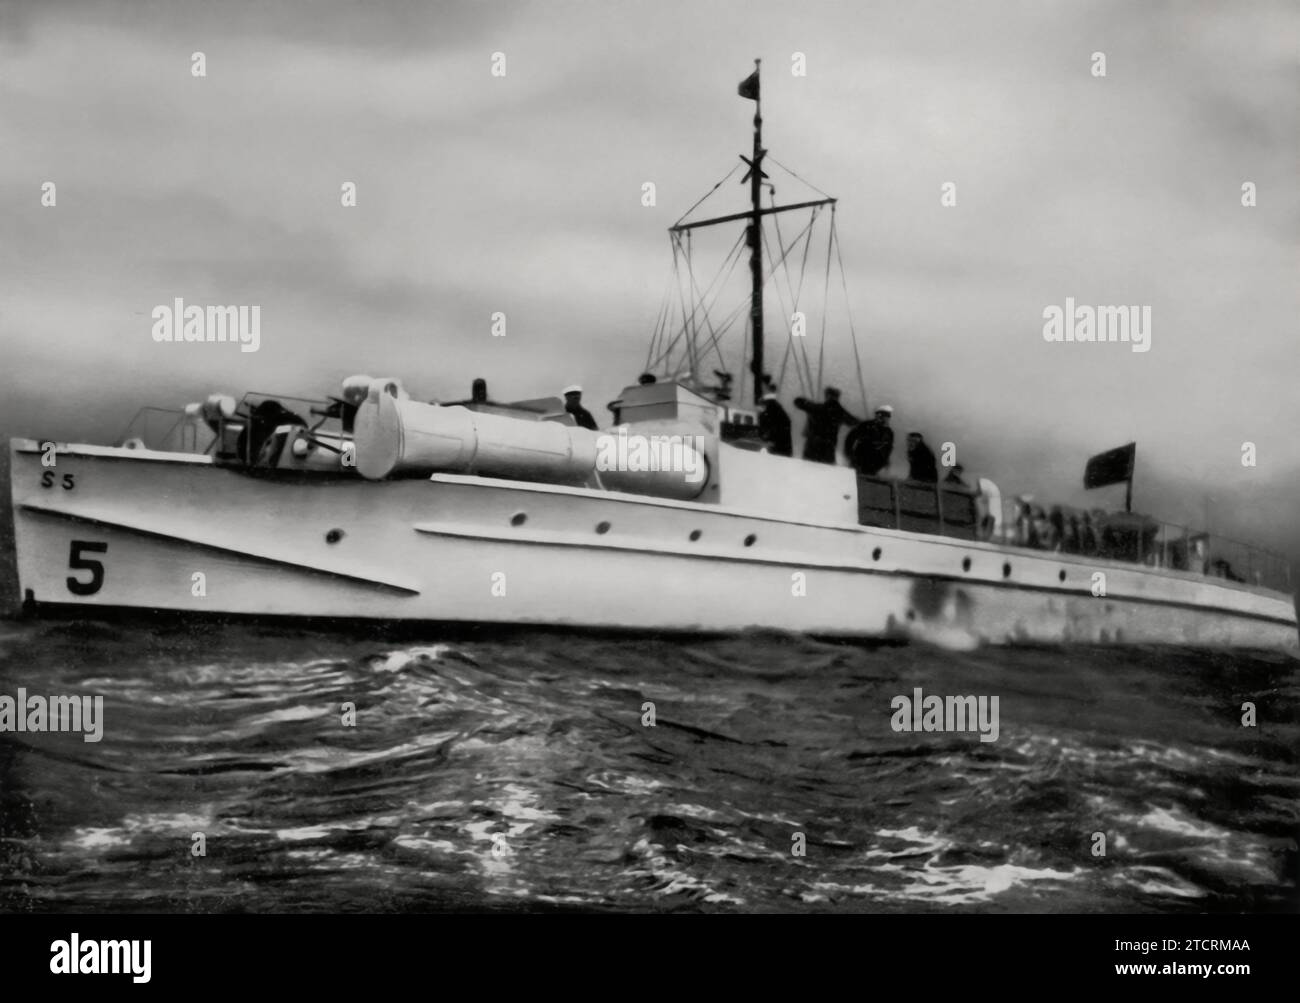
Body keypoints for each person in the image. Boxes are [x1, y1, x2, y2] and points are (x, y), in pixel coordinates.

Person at [793, 386, 858, 464]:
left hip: (812, 447)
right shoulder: (840, 413)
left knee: (808, 471)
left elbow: (797, 402)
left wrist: (807, 402)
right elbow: (854, 422)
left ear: (827, 396)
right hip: (828, 449)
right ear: (837, 397)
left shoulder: (817, 408)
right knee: (825, 472)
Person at [845, 405, 895, 475]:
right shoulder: (866, 426)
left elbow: (888, 449)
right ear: (878, 415)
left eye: (887, 417)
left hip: (874, 466)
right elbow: (850, 438)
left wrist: (884, 462)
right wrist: (849, 454)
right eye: (883, 416)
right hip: (859, 462)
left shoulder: (889, 433)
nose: (886, 419)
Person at [758, 389, 793, 457]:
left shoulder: (768, 414)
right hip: (784, 447)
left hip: (775, 446)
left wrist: (766, 437)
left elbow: (769, 429)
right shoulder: (780, 412)